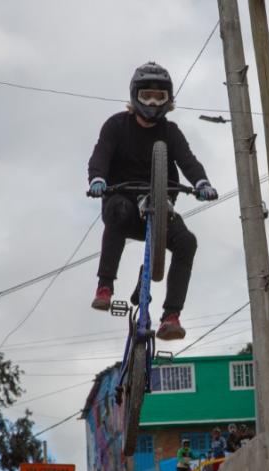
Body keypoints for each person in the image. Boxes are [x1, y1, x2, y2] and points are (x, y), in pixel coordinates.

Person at [88, 61, 218, 340]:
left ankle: (171, 317)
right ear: (135, 95)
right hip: (122, 198)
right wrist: (97, 179)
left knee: (187, 241)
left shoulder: (170, 132)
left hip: (159, 206)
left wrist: (202, 183)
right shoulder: (116, 125)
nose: (152, 102)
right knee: (118, 212)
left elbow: (188, 160)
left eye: (160, 97)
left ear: (169, 100)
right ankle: (105, 286)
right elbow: (101, 153)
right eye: (147, 95)